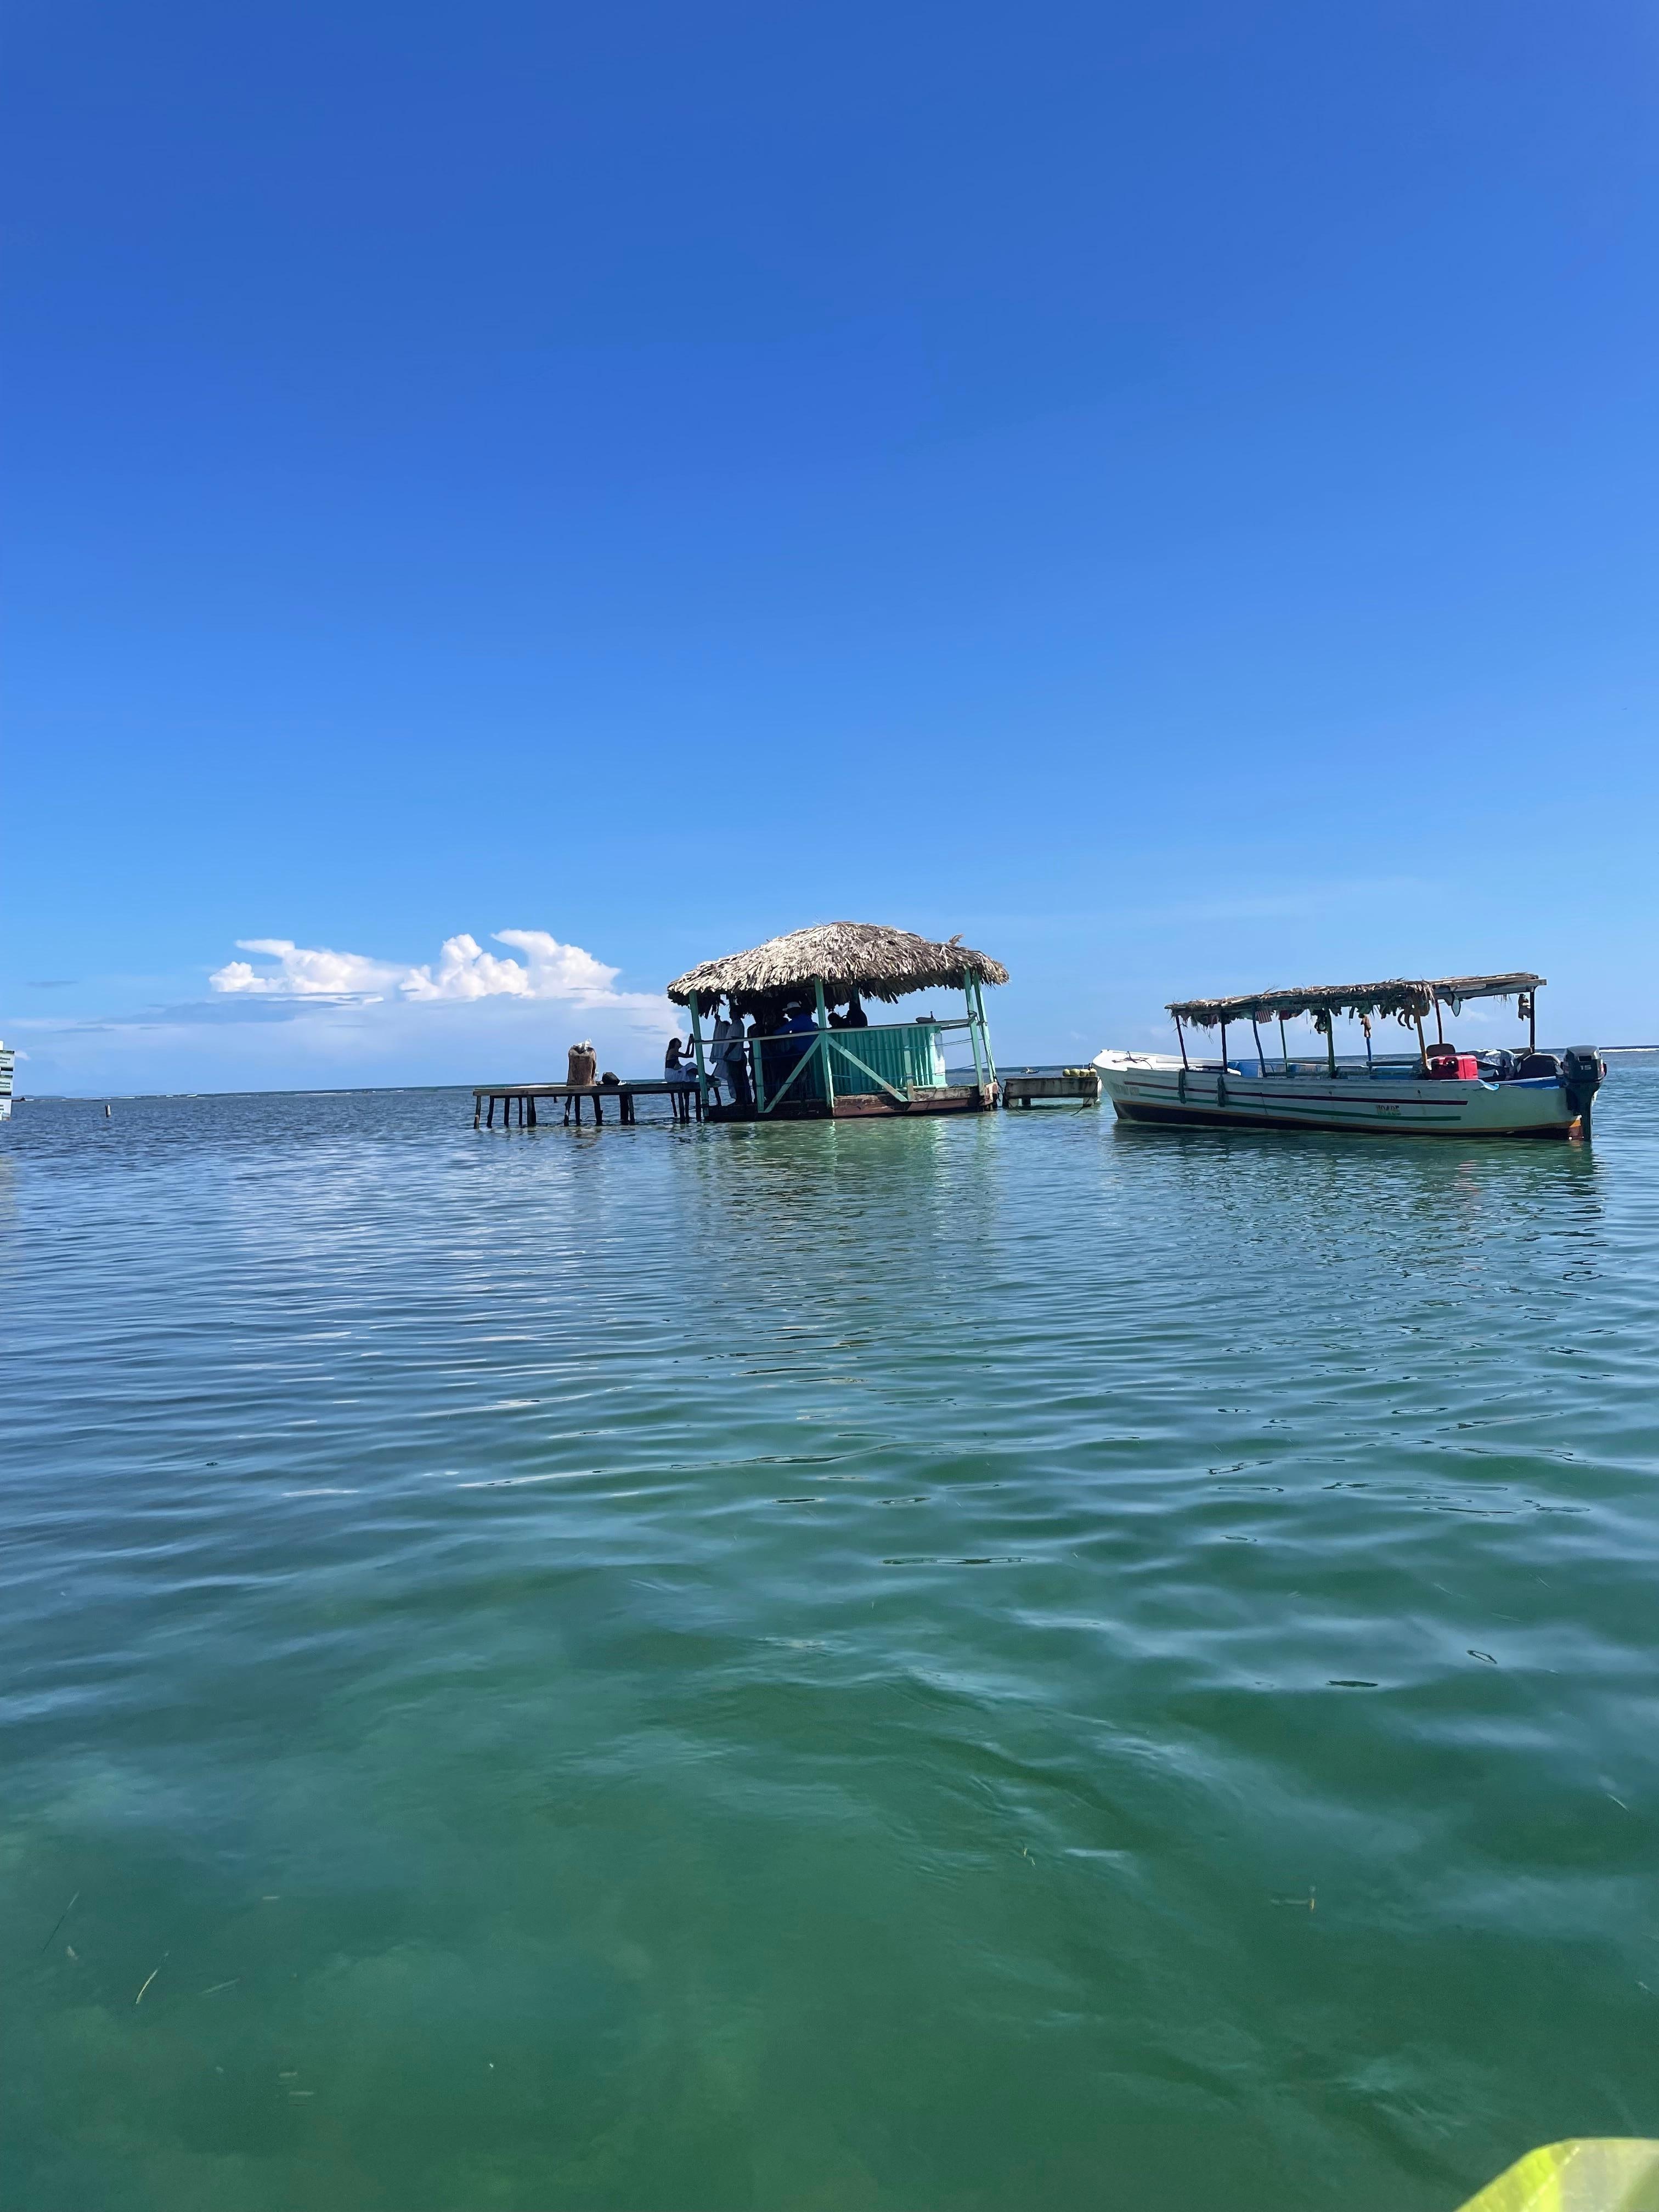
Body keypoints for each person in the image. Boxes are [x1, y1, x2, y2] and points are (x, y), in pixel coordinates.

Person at [565, 1040, 600, 1124]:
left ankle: (568, 1117)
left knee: (574, 1100)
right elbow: (594, 1070)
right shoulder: (591, 1054)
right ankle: (599, 1119)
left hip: (573, 1084)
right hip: (588, 1083)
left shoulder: (573, 1053)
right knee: (596, 1100)